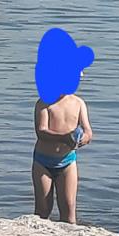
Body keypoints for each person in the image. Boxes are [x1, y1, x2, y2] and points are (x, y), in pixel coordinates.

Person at [32, 92, 93, 223]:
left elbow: (88, 131)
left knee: (68, 210)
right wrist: (63, 138)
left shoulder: (78, 103)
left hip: (67, 162)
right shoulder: (44, 103)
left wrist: (83, 138)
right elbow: (41, 132)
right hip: (43, 163)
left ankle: (70, 234)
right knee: (42, 210)